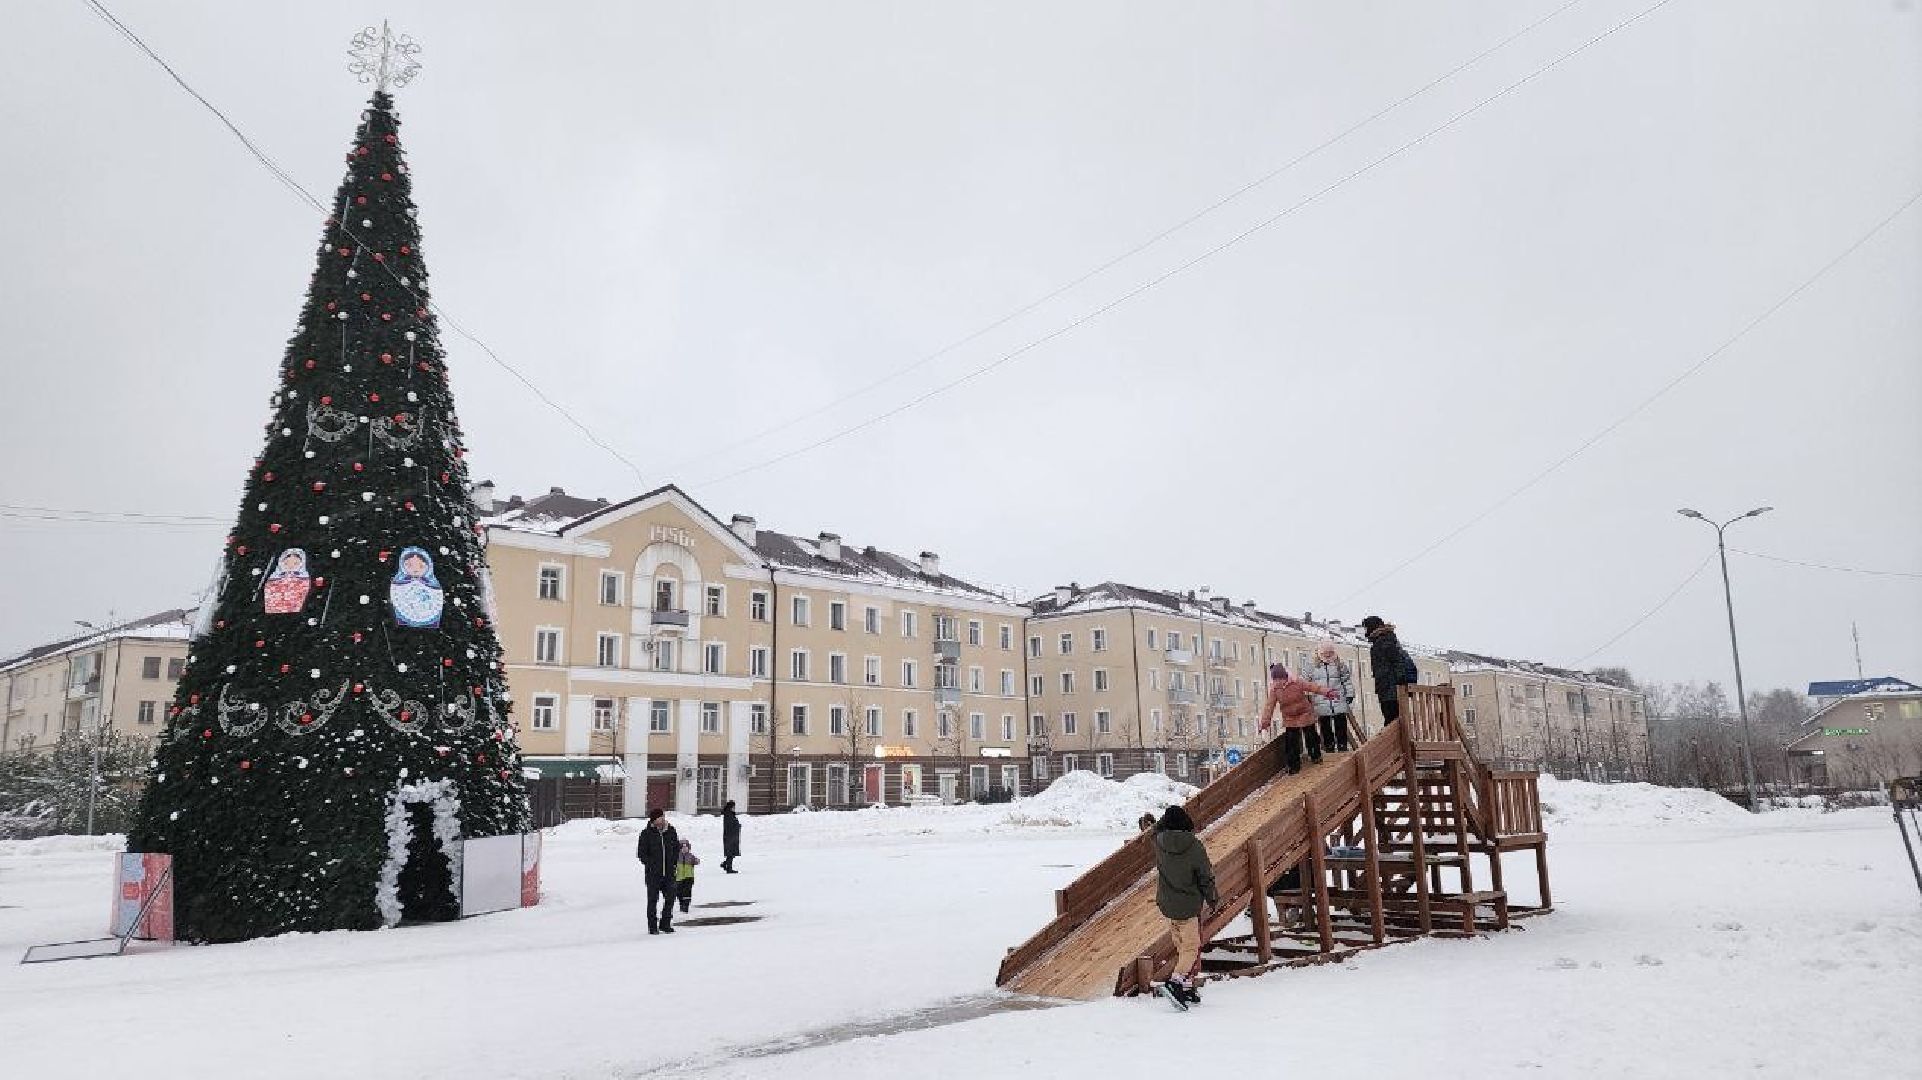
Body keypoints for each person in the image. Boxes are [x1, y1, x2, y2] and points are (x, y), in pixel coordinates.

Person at [1153, 805, 1218, 1007]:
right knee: (1191, 947)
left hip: (1167, 904)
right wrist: (1213, 898)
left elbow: (1155, 829)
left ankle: (1187, 987)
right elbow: (1205, 876)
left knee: (1182, 946)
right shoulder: (1194, 846)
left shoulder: (1159, 843)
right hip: (1188, 905)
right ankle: (1176, 982)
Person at [1258, 663, 1340, 774]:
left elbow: (1313, 687)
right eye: (1276, 680)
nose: (1279, 682)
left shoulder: (1296, 682)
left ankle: (1316, 756)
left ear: (1285, 676)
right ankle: (1293, 766)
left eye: (1280, 679)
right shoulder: (1275, 690)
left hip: (1304, 713)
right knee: (1291, 742)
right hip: (1290, 718)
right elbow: (1269, 706)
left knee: (1311, 736)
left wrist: (1328, 692)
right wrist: (1265, 722)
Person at [1361, 616, 1419, 726]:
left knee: (1393, 719)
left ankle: (1396, 742)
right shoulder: (1382, 641)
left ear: (1372, 627)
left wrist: (1400, 682)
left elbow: (1397, 663)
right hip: (1386, 688)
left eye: (1366, 628)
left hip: (1391, 688)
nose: (1365, 631)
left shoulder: (1385, 642)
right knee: (1392, 719)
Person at [1305, 644, 1359, 752]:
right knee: (1325, 725)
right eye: (1326, 654)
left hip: (1338, 698)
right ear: (1320, 654)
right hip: (1321, 700)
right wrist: (1307, 696)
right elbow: (1306, 682)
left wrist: (1349, 694)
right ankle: (1329, 746)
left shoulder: (1339, 665)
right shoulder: (1312, 666)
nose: (1328, 656)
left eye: (1330, 653)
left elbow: (1346, 681)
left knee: (1340, 723)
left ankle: (1342, 745)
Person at [636, 808, 680, 934]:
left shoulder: (671, 831)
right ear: (654, 820)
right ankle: (653, 926)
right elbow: (641, 854)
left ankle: (665, 923)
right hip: (653, 875)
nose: (662, 819)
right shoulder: (646, 834)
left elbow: (676, 847)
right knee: (652, 901)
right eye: (660, 817)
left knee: (670, 898)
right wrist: (651, 865)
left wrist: (673, 862)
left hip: (669, 873)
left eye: (663, 817)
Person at [674, 837, 699, 914]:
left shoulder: (690, 856)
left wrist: (696, 861)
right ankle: (682, 903)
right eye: (682, 847)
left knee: (687, 892)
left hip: (689, 877)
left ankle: (686, 905)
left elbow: (696, 861)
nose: (684, 849)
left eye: (686, 847)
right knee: (679, 892)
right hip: (679, 878)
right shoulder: (676, 856)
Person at [721, 800, 742, 874]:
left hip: (732, 836)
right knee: (730, 853)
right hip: (730, 836)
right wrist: (737, 826)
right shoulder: (728, 814)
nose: (734, 808)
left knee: (732, 852)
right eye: (733, 807)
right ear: (730, 807)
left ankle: (725, 864)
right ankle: (728, 868)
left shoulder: (730, 814)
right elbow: (730, 826)